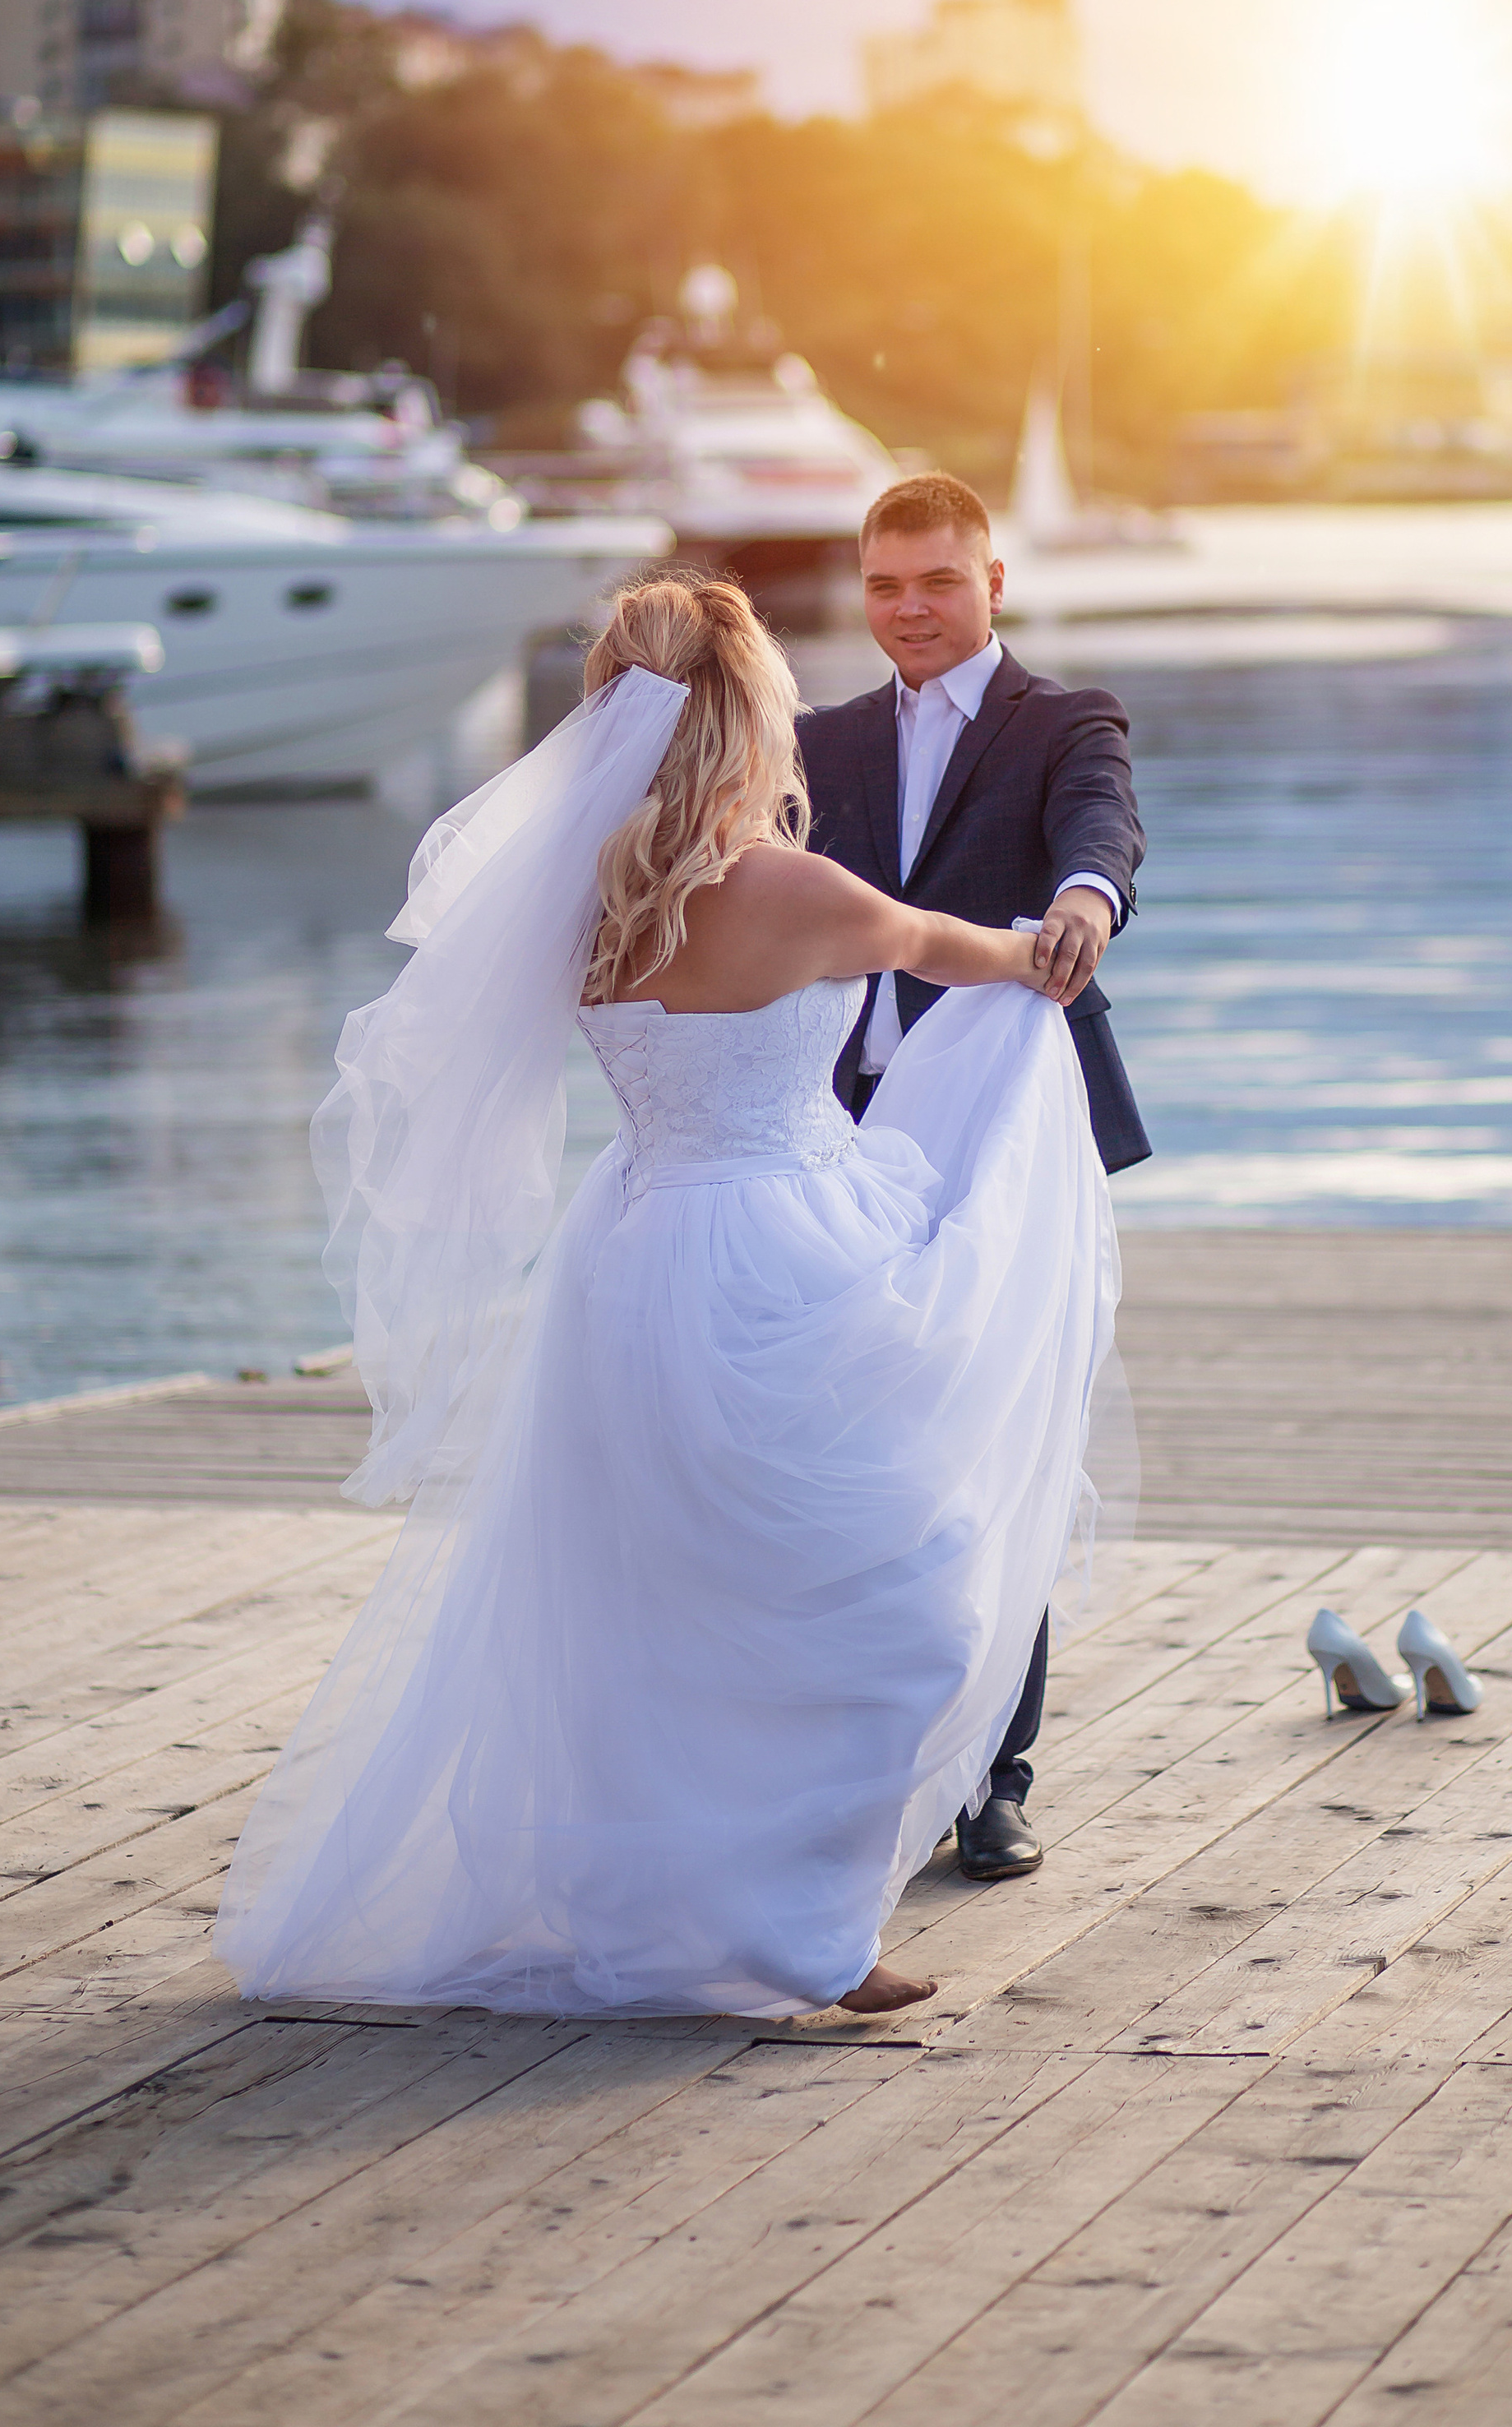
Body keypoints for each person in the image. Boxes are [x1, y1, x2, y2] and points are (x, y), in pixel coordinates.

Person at [215, 571, 1126, 2022]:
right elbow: (978, 959)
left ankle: (698, 1912)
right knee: (903, 1603)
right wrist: (1053, 938)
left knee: (663, 1605)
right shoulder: (797, 890)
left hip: (632, 1256)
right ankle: (804, 1931)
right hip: (781, 1249)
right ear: (749, 713)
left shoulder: (571, 896)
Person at [798, 473, 1148, 1884]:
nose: (910, 610)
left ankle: (994, 1782)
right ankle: (869, 1759)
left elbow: (1105, 832)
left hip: (1008, 1136)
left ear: (993, 582)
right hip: (838, 1134)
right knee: (865, 1449)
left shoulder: (1067, 722)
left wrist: (1084, 901)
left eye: (938, 581)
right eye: (885, 585)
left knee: (1005, 1439)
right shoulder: (817, 740)